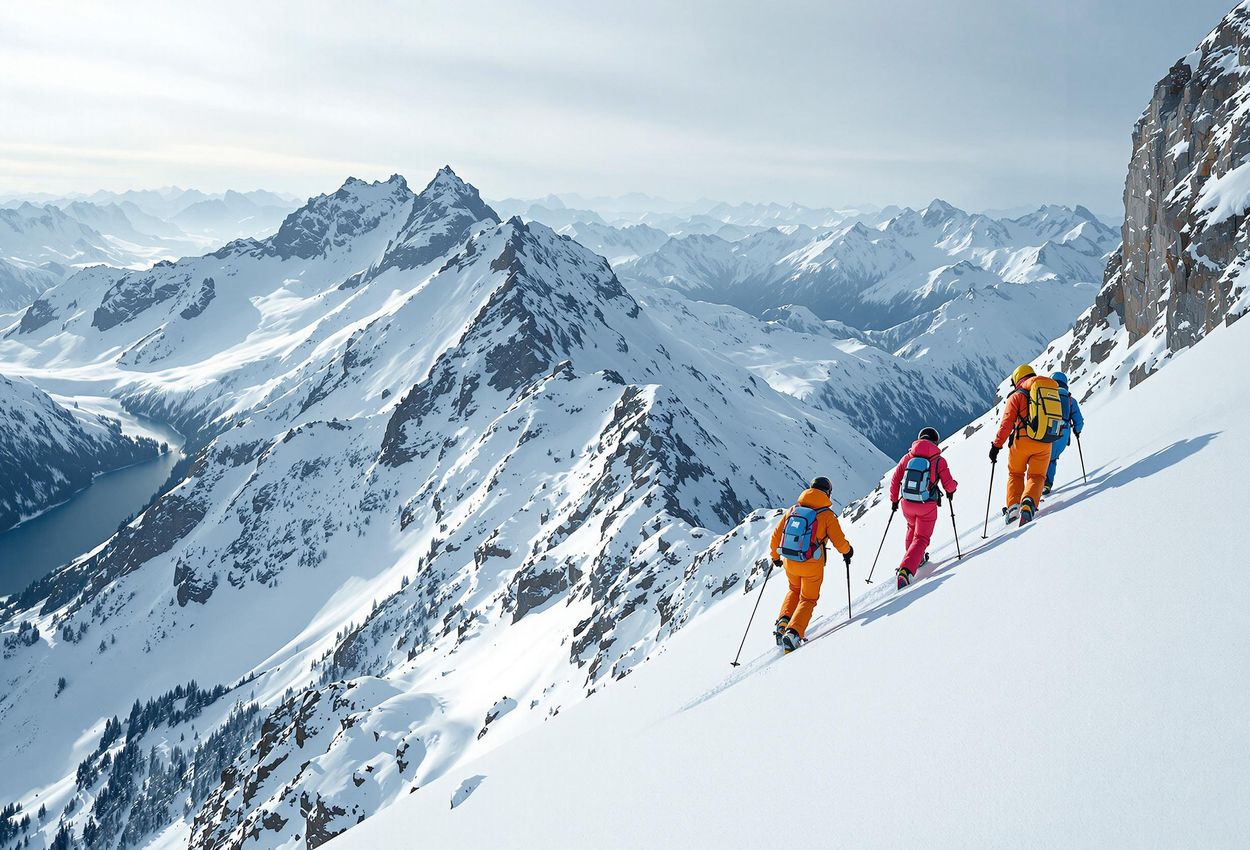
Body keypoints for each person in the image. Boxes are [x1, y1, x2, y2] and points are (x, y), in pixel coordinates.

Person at [769, 477, 853, 653]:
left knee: (793, 590)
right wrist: (847, 551)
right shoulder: (827, 515)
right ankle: (793, 633)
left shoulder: (794, 510)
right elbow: (839, 541)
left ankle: (784, 621)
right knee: (807, 599)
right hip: (812, 565)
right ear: (828, 493)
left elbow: (776, 536)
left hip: (790, 561)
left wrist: (775, 557)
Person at [889, 427, 958, 588]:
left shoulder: (907, 457)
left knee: (911, 529)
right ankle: (906, 570)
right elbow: (949, 485)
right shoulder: (939, 460)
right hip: (926, 505)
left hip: (907, 503)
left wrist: (894, 500)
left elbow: (895, 480)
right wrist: (953, 488)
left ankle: (915, 559)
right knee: (921, 538)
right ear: (936, 442)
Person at [990, 364, 1053, 526]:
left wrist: (996, 446)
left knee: (1016, 474)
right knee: (1037, 476)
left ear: (1017, 378)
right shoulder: (1045, 391)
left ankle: (1013, 508)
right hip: (1045, 442)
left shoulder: (1017, 396)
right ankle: (1029, 504)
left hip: (1022, 442)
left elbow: (1006, 424)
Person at [1043, 371, 1084, 495]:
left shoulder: (1047, 395)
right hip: (1063, 433)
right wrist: (1077, 431)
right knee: (1052, 459)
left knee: (1042, 457)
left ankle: (1037, 484)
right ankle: (1047, 484)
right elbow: (1079, 421)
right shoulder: (1071, 400)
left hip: (1047, 430)